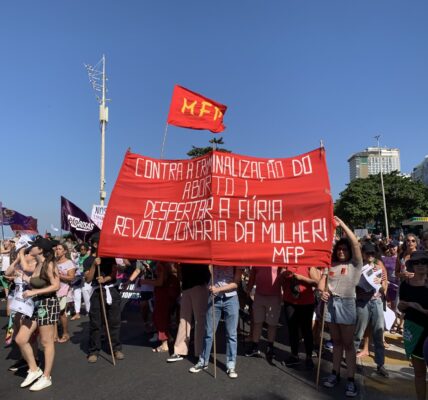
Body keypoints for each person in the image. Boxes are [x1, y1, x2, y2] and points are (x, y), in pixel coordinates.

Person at [319, 216, 363, 398]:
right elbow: (321, 284)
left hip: (347, 303)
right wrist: (321, 293)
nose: (342, 251)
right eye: (339, 249)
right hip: (331, 305)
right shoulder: (330, 265)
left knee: (348, 344)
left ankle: (351, 380)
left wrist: (343, 224)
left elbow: (355, 244)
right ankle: (335, 373)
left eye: (345, 249)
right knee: (336, 343)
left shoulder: (355, 264)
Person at [15, 238, 60, 391]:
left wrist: (34, 291)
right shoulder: (37, 264)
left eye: (33, 246)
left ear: (40, 249)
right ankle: (34, 370)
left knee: (46, 342)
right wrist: (25, 277)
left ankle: (46, 377)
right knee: (21, 339)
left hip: (47, 304)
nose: (31, 248)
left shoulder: (50, 264)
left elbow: (56, 285)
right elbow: (37, 281)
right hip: (34, 304)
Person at [189, 266, 242, 379]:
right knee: (208, 332)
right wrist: (210, 286)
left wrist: (218, 289)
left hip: (231, 299)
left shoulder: (237, 258)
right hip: (215, 298)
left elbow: (236, 283)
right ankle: (203, 361)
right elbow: (211, 277)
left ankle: (231, 365)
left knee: (231, 334)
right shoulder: (214, 256)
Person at [354, 242, 389, 377]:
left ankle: (381, 364)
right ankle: (352, 360)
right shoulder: (358, 266)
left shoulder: (379, 264)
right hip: (362, 302)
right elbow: (352, 284)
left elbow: (385, 282)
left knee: (378, 334)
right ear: (362, 253)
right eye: (367, 253)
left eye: (372, 253)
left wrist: (382, 287)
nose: (370, 255)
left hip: (376, 302)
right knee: (358, 333)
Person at [398, 250, 428, 400]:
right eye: (417, 263)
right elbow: (400, 307)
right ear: (412, 266)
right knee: (419, 372)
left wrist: (417, 307)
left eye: (424, 262)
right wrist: (402, 306)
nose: (421, 265)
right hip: (413, 332)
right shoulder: (405, 285)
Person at [84, 253, 124, 363]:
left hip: (111, 291)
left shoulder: (111, 257)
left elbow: (114, 274)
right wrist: (94, 265)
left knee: (114, 322)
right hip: (97, 292)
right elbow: (88, 279)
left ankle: (115, 348)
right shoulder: (88, 260)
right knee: (96, 323)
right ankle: (94, 350)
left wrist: (105, 279)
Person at [167, 263, 211, 362]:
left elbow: (207, 271)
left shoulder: (201, 252)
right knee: (183, 319)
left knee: (199, 321)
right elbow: (180, 271)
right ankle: (180, 350)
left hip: (199, 285)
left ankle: (201, 352)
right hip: (187, 287)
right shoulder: (184, 252)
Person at [282, 266, 320, 368]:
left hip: (306, 302)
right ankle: (294, 355)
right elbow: (280, 278)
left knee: (306, 330)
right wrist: (283, 275)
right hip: (289, 300)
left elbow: (317, 282)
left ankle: (308, 357)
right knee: (292, 329)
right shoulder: (286, 260)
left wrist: (302, 279)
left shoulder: (309, 264)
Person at [138, 261, 180, 353]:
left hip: (164, 295)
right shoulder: (166, 263)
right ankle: (168, 337)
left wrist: (145, 281)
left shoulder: (160, 264)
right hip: (169, 293)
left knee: (159, 318)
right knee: (163, 317)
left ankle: (164, 344)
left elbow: (160, 282)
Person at [244, 266, 282, 363]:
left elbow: (284, 276)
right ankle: (255, 347)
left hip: (274, 296)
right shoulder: (259, 258)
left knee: (272, 324)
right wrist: (248, 290)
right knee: (257, 322)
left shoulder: (278, 257)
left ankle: (270, 347)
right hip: (259, 295)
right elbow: (252, 276)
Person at [54, 243, 76, 343]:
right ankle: (54, 335)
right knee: (53, 313)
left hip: (64, 290)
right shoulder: (54, 262)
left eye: (59, 249)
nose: (57, 250)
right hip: (53, 290)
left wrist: (58, 275)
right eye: (56, 249)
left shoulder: (69, 263)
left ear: (65, 251)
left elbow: (71, 277)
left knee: (61, 313)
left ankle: (65, 333)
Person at [71, 243, 91, 320]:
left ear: (87, 250)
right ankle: (77, 313)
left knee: (86, 297)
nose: (82, 251)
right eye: (81, 249)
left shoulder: (89, 258)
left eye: (84, 249)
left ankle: (88, 311)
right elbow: (73, 267)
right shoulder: (77, 258)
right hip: (77, 279)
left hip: (86, 280)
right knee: (76, 297)